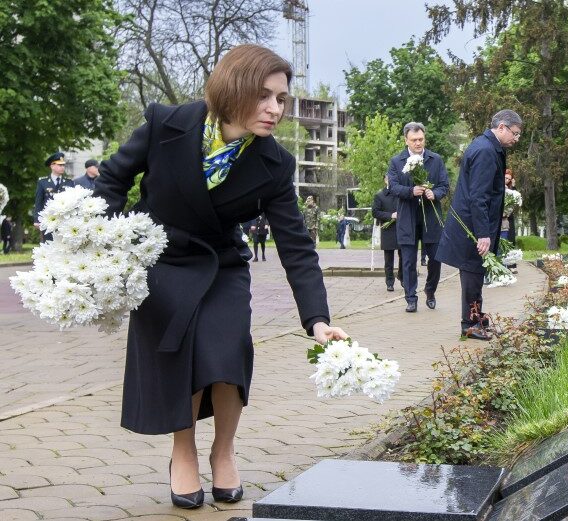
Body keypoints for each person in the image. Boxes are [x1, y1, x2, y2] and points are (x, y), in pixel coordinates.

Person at [93, 44, 347, 509]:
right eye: (266, 96)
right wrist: (95, 246)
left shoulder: (274, 164)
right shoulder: (166, 123)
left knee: (228, 351)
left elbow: (295, 246)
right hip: (160, 260)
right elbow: (111, 180)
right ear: (234, 89)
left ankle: (224, 450)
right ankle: (183, 452)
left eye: (282, 99)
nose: (276, 110)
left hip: (221, 265)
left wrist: (317, 319)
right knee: (185, 357)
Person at [436, 110, 522, 340]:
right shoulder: (485, 151)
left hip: (474, 223)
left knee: (475, 273)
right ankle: (470, 324)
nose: (516, 138)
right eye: (515, 133)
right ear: (502, 127)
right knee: (473, 273)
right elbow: (479, 196)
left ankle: (476, 318)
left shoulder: (490, 147)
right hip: (473, 227)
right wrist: (483, 234)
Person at [388, 122, 450, 313]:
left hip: (430, 216)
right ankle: (411, 298)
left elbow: (444, 185)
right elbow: (393, 186)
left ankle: (430, 291)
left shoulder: (435, 159)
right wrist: (410, 191)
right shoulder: (396, 161)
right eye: (414, 140)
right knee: (408, 261)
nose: (418, 143)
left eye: (421, 139)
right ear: (406, 139)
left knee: (435, 259)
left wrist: (435, 194)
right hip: (407, 217)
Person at [33, 152, 75, 241]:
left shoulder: (69, 182)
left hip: (65, 220)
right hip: (49, 220)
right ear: (52, 166)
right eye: (60, 165)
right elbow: (39, 201)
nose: (62, 167)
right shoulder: (42, 182)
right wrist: (37, 219)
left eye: (63, 165)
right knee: (48, 244)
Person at [372, 174, 402, 291]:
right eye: (388, 178)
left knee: (404, 256)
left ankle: (402, 276)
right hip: (387, 229)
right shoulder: (379, 196)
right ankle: (390, 282)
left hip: (401, 229)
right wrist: (391, 215)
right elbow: (375, 212)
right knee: (389, 259)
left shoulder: (400, 194)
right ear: (385, 180)